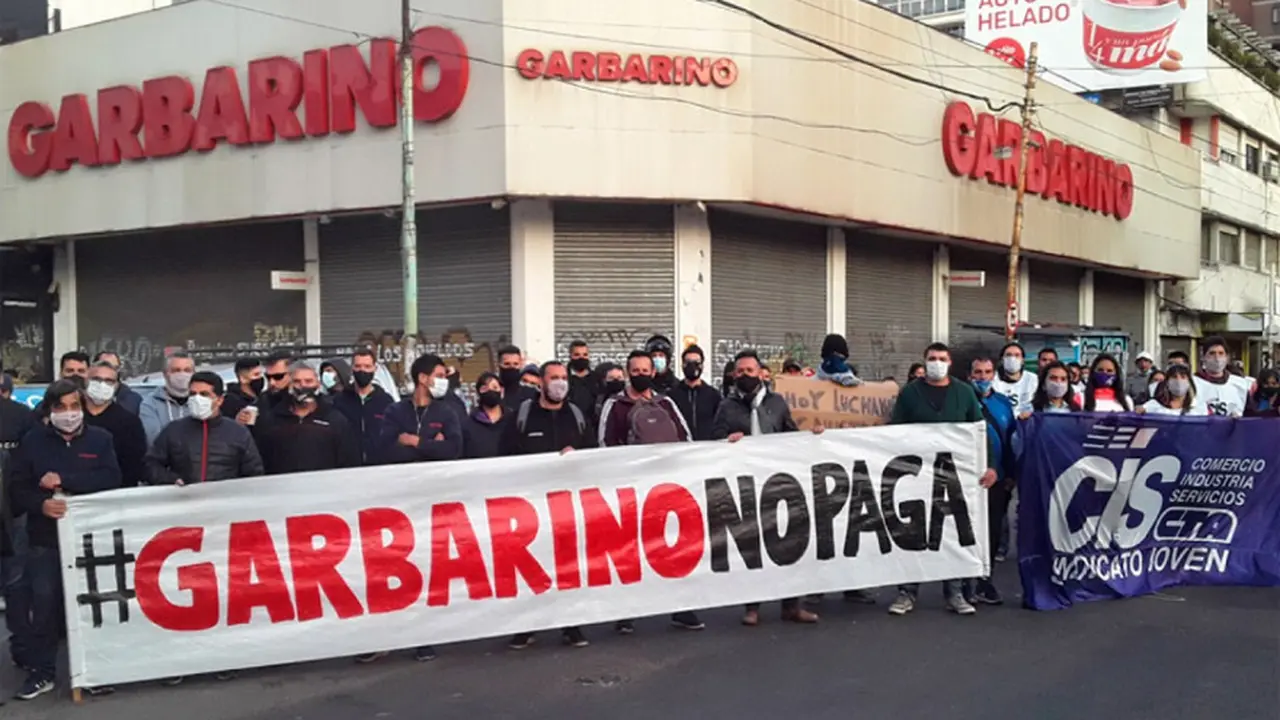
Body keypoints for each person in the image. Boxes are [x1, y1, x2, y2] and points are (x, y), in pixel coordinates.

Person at [10, 380, 122, 701]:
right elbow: (17, 489)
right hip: (45, 539)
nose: (69, 413)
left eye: (75, 406)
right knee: (44, 606)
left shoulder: (101, 439)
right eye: (61, 407)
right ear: (49, 410)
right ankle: (42, 673)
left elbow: (111, 478)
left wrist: (66, 481)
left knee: (92, 606)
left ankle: (93, 672)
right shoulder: (31, 442)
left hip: (90, 540)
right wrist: (40, 504)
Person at [712, 350, 823, 626]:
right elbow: (711, 439)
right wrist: (727, 439)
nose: (745, 376)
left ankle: (792, 605)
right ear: (733, 375)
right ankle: (753, 607)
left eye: (750, 370)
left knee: (788, 542)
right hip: (746, 484)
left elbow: (790, 434)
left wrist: (813, 438)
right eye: (740, 371)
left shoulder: (777, 402)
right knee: (753, 545)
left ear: (762, 373)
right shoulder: (727, 406)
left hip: (777, 482)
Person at [886, 343, 997, 617]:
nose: (937, 363)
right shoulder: (910, 394)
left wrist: (991, 465)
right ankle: (907, 592)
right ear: (924, 363)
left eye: (942, 359)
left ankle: (955, 592)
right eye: (932, 359)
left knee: (953, 532)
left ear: (949, 363)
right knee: (914, 531)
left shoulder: (963, 392)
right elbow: (895, 432)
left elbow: (980, 432)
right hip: (916, 475)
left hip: (954, 475)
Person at [368, 353, 464, 663]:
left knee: (431, 567)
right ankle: (391, 631)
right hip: (401, 502)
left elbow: (453, 450)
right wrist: (429, 443)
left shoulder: (447, 411)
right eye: (438, 373)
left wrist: (417, 442)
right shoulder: (395, 410)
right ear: (423, 378)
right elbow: (386, 449)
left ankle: (427, 636)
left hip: (434, 502)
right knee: (397, 569)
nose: (443, 379)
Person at [599, 350, 703, 633]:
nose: (641, 374)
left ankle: (681, 608)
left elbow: (686, 439)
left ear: (653, 373)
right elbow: (604, 445)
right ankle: (627, 612)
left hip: (665, 489)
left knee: (672, 547)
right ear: (627, 371)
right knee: (630, 551)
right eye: (636, 370)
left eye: (646, 370)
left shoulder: (666, 403)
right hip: (631, 491)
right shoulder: (615, 405)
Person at [501, 361, 594, 649]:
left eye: (563, 378)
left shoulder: (577, 415)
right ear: (541, 382)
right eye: (553, 378)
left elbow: (594, 454)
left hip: (568, 505)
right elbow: (504, 455)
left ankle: (571, 624)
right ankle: (528, 625)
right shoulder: (523, 416)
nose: (560, 383)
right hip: (531, 505)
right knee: (533, 565)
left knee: (568, 565)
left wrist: (577, 455)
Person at [147, 371, 265, 485]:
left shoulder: (238, 433)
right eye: (193, 394)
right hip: (185, 500)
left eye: (204, 394)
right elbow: (151, 464)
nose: (197, 399)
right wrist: (171, 479)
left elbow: (254, 473)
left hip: (224, 501)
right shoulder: (174, 430)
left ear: (219, 400)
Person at [967, 357, 1018, 605]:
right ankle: (966, 582)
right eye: (978, 372)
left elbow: (1010, 440)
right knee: (967, 531)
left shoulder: (1003, 403)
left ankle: (986, 581)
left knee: (993, 531)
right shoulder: (963, 400)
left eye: (987, 372)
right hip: (967, 479)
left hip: (997, 479)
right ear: (969, 375)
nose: (983, 377)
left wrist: (1010, 474)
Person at [256, 363, 361, 475]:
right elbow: (261, 460)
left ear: (318, 384)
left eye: (308, 381)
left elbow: (348, 462)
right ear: (289, 385)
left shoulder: (335, 420)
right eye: (297, 381)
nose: (303, 386)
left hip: (325, 487)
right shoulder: (272, 420)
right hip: (283, 488)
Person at [0, 373, 33, 658]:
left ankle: (22, 645)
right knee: (15, 582)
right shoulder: (23, 414)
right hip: (15, 512)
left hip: (14, 511)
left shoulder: (22, 416)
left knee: (16, 582)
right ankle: (21, 646)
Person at [83, 361, 147, 487]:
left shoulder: (129, 422)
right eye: (96, 379)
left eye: (109, 381)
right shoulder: (72, 416)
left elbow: (133, 466)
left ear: (116, 386)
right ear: (86, 380)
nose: (102, 385)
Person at [332, 348, 396, 465]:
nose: (362, 370)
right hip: (346, 468)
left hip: (378, 467)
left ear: (374, 369)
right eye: (358, 366)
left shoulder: (386, 401)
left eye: (367, 366)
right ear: (352, 368)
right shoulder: (339, 400)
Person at [138, 351, 195, 446]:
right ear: (165, 374)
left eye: (187, 370)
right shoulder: (149, 404)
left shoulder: (201, 401)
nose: (182, 374)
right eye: (176, 370)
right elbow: (154, 439)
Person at [670, 344, 722, 441]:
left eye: (696, 362)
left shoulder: (713, 395)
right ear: (682, 365)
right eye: (688, 362)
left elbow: (720, 424)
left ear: (702, 365)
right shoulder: (672, 395)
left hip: (707, 450)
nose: (692, 366)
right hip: (679, 449)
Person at [1192, 336, 1254, 417]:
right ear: (1203, 357)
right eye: (1212, 353)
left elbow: (1250, 415)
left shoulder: (1241, 384)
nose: (1217, 358)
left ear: (1227, 358)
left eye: (1221, 353)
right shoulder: (1192, 383)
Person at [462, 372, 506, 459]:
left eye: (494, 387)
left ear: (501, 390)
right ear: (478, 392)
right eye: (484, 388)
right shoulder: (468, 424)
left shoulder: (512, 420)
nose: (490, 391)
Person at [1137, 364, 1205, 416]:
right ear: (1167, 383)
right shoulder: (1153, 405)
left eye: (1183, 377)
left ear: (1189, 382)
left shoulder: (1199, 406)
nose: (1178, 380)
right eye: (1174, 377)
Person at [992, 342, 1037, 415]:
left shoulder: (1032, 379)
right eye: (1008, 355)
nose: (1012, 358)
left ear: (1022, 360)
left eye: (1017, 355)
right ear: (1002, 359)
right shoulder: (993, 378)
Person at [497, 345, 538, 414]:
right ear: (499, 364)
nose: (511, 367)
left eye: (515, 364)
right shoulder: (492, 392)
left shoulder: (530, 394)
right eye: (507, 364)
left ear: (520, 365)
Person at [566, 339, 596, 418]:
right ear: (570, 356)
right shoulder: (564, 378)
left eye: (585, 355)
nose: (581, 358)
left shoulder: (597, 379)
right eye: (577, 355)